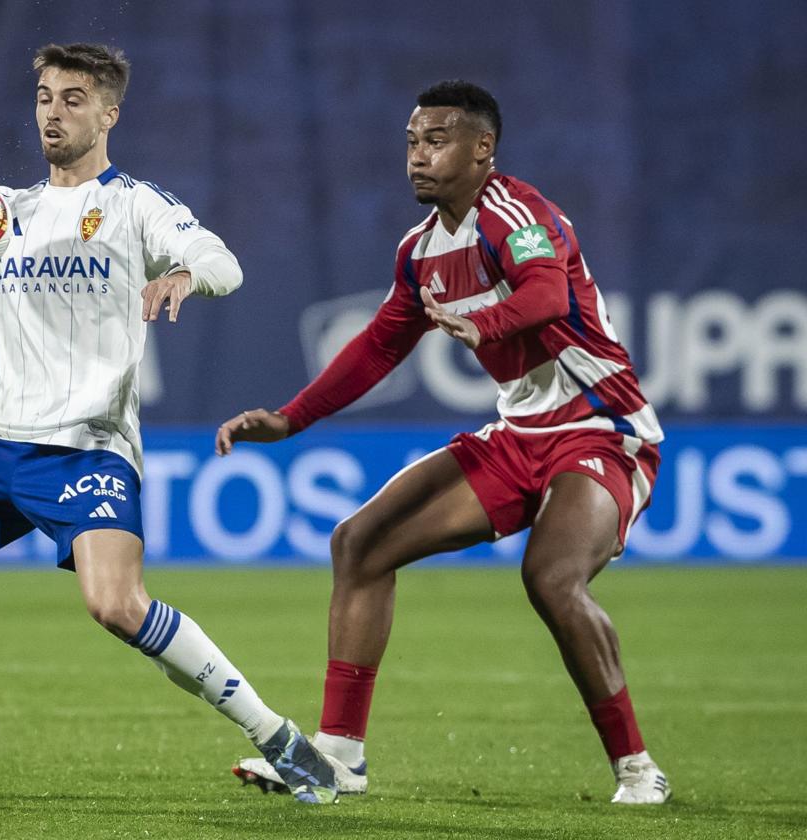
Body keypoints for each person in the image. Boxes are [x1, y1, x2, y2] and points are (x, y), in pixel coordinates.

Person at [0, 42, 338, 805]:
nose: (53, 112)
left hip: (90, 446)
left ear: (109, 113)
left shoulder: (135, 205)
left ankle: (277, 737)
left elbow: (225, 262)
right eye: (46, 96)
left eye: (74, 99)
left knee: (116, 605)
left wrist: (183, 273)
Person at [218, 80, 671, 805]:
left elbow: (547, 295)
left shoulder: (518, 213)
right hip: (519, 433)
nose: (418, 157)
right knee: (359, 544)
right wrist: (291, 419)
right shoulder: (421, 251)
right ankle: (338, 758)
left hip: (601, 428)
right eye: (410, 142)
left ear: (482, 149)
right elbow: (377, 346)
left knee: (551, 578)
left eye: (436, 140)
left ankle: (637, 768)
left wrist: (484, 325)